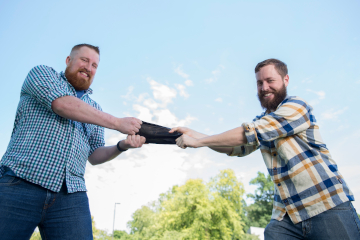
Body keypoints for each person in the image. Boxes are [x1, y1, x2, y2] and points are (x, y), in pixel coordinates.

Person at [171, 59, 360, 239]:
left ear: (286, 80)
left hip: (326, 204)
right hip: (287, 216)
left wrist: (199, 141)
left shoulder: (296, 106)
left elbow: (252, 133)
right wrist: (195, 134)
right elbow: (237, 147)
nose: (264, 87)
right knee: (273, 232)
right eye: (259, 83)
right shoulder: (260, 121)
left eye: (270, 81)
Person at [0, 44, 145, 239]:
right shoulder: (42, 74)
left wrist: (122, 146)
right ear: (68, 61)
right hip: (21, 182)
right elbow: (61, 104)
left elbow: (94, 155)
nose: (89, 67)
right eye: (84, 60)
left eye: (94, 65)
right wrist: (117, 122)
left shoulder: (94, 108)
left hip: (70, 195)